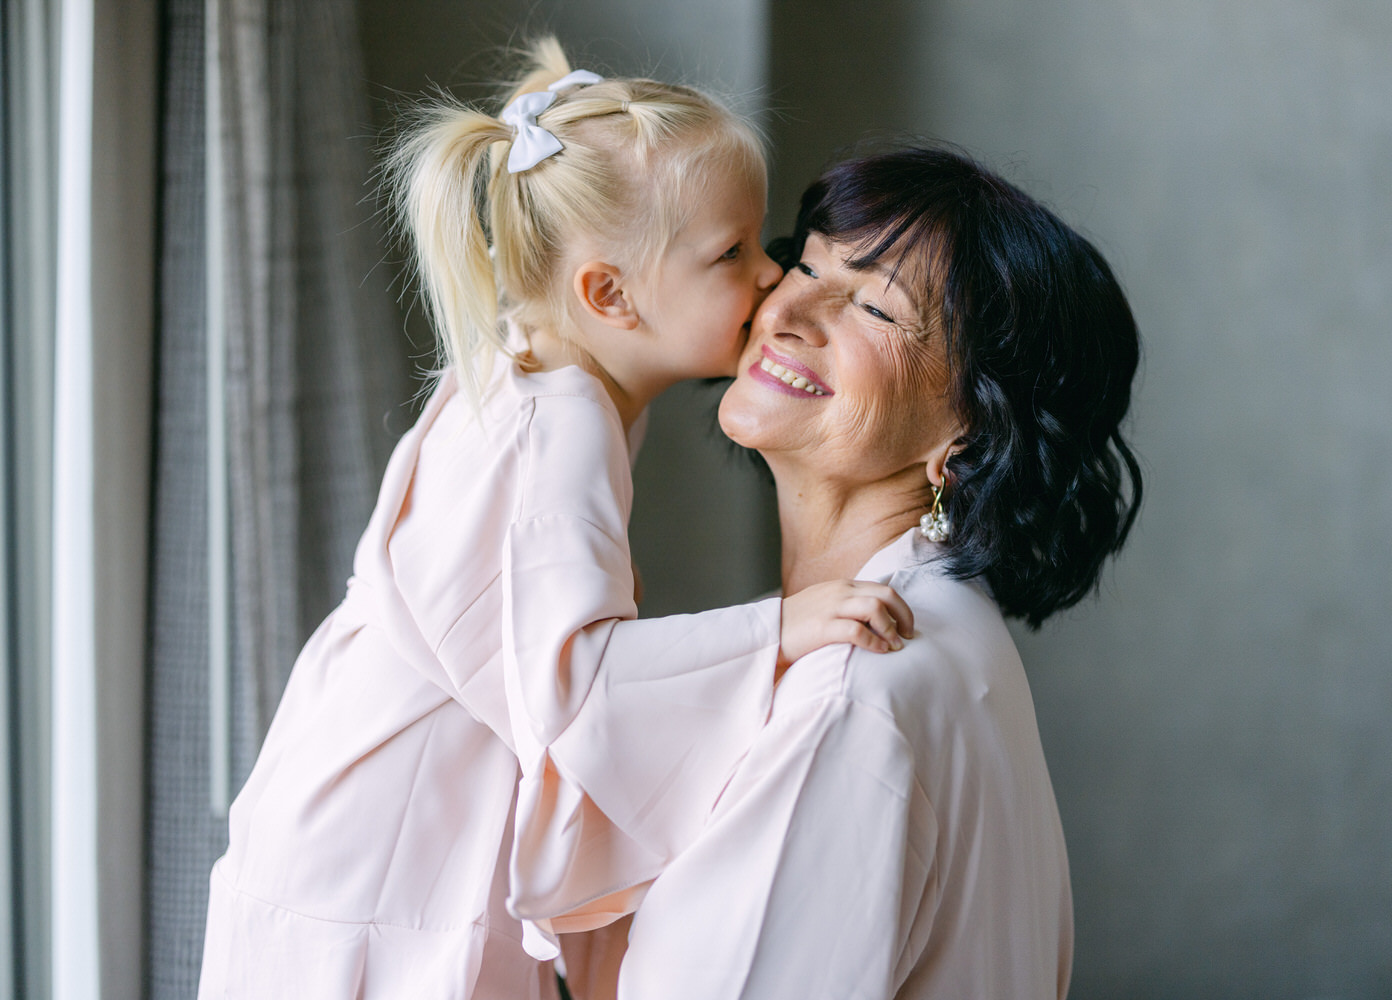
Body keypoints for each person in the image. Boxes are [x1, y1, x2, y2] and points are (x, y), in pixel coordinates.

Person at [197, 40, 913, 1000]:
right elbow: (575, 687)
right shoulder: (559, 425)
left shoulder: (544, 371)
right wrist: (777, 632)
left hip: (348, 808)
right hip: (383, 849)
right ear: (609, 294)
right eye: (730, 253)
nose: (769, 277)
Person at [607, 145, 1143, 999]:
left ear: (969, 433)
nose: (787, 309)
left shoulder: (850, 696)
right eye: (808, 263)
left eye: (875, 310)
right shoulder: (950, 629)